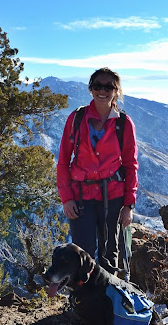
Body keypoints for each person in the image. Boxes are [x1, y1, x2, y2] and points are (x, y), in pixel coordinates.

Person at [56, 67, 138, 274]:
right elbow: (63, 161)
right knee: (81, 255)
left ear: (116, 91)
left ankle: (109, 302)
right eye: (97, 86)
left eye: (109, 86)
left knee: (109, 253)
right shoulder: (76, 119)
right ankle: (82, 303)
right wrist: (66, 198)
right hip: (81, 196)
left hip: (113, 196)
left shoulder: (123, 123)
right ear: (90, 89)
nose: (103, 90)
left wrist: (128, 204)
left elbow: (130, 165)